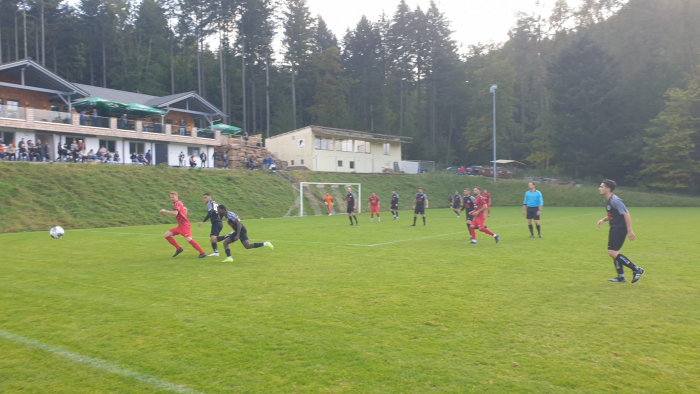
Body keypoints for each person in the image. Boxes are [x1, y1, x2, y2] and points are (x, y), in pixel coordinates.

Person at [597, 179, 644, 283]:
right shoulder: (610, 200)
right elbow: (614, 215)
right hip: (615, 227)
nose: (599, 188)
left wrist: (630, 230)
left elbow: (626, 214)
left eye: (601, 186)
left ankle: (636, 269)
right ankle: (621, 277)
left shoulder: (615, 200)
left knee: (612, 252)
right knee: (615, 252)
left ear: (608, 189)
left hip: (619, 229)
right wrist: (603, 220)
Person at [160, 192, 206, 258]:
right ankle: (179, 249)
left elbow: (175, 213)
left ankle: (202, 253)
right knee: (166, 235)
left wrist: (165, 211)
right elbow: (184, 211)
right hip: (180, 226)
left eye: (173, 197)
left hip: (185, 226)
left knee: (189, 239)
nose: (171, 198)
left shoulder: (177, 203)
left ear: (177, 197)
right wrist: (185, 211)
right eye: (170, 197)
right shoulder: (179, 203)